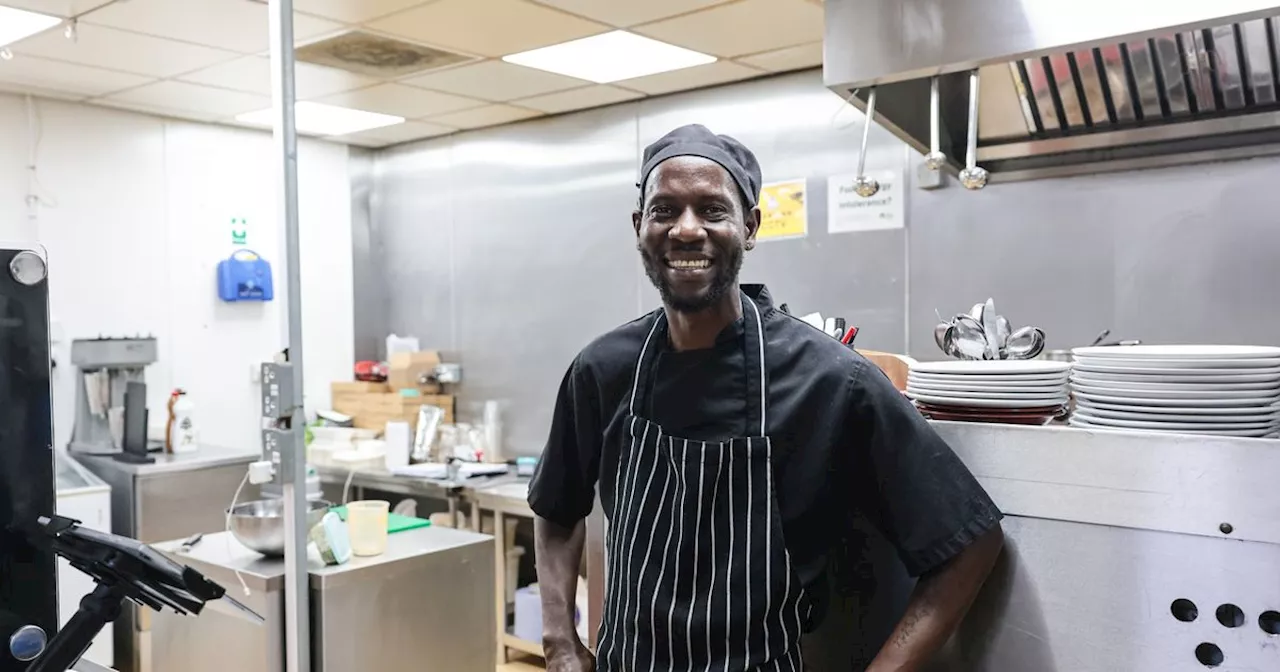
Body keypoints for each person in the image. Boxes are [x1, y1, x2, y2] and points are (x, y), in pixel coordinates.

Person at [528, 124, 1004, 672]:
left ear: (750, 226)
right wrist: (560, 642)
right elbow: (557, 509)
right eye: (664, 210)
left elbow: (969, 542)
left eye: (712, 210)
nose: (687, 230)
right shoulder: (602, 370)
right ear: (640, 227)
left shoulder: (830, 382)